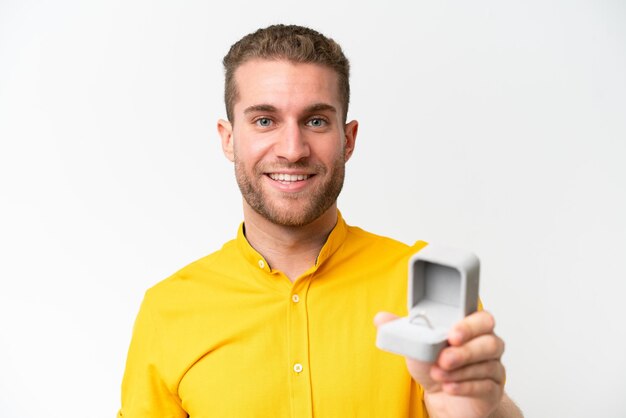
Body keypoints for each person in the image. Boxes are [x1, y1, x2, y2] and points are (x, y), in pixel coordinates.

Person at [118, 24, 523, 417]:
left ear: (347, 139)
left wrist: (481, 415)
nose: (293, 150)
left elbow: (472, 402)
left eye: (315, 121)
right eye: (264, 120)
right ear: (228, 138)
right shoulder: (167, 310)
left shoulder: (426, 287)